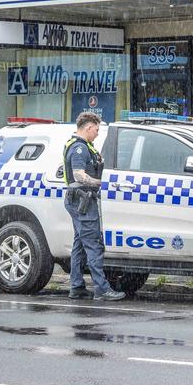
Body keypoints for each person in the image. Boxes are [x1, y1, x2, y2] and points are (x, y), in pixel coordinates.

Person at [63, 112, 125, 301]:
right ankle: (102, 289)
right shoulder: (80, 149)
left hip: (79, 200)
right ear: (88, 127)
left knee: (80, 245)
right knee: (94, 245)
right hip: (83, 200)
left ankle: (77, 287)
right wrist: (101, 183)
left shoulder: (82, 146)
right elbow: (79, 175)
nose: (97, 134)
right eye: (96, 130)